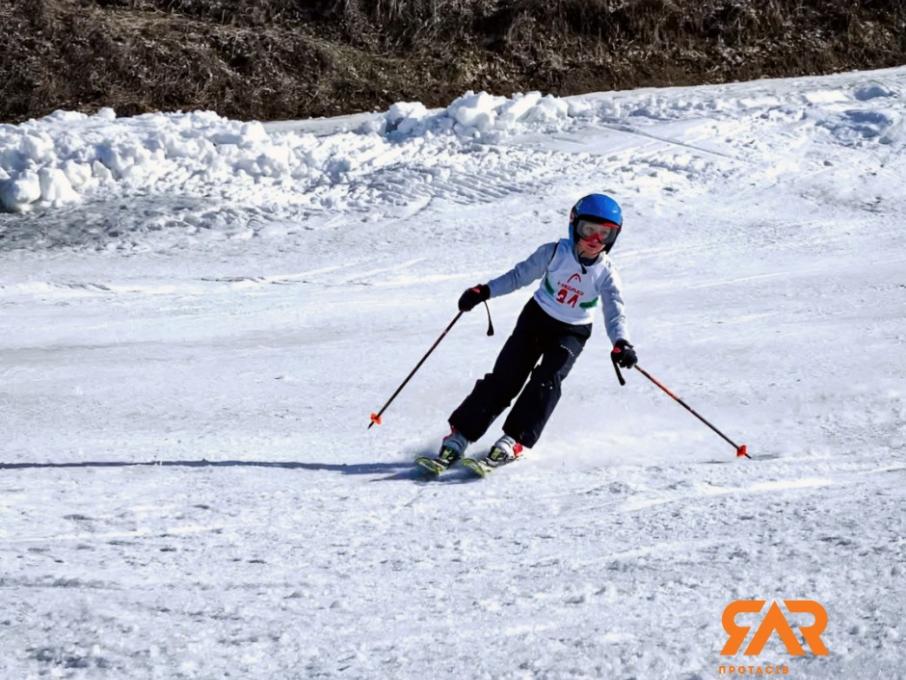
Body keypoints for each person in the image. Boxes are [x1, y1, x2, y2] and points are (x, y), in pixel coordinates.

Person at [434, 193, 638, 471]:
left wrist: (621, 343)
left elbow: (615, 310)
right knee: (507, 376)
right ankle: (460, 436)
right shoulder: (554, 252)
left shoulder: (607, 273)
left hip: (573, 332)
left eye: (604, 234)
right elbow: (518, 276)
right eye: (588, 230)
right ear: (574, 225)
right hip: (536, 319)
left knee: (547, 380)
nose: (594, 241)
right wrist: (484, 291)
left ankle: (514, 440)